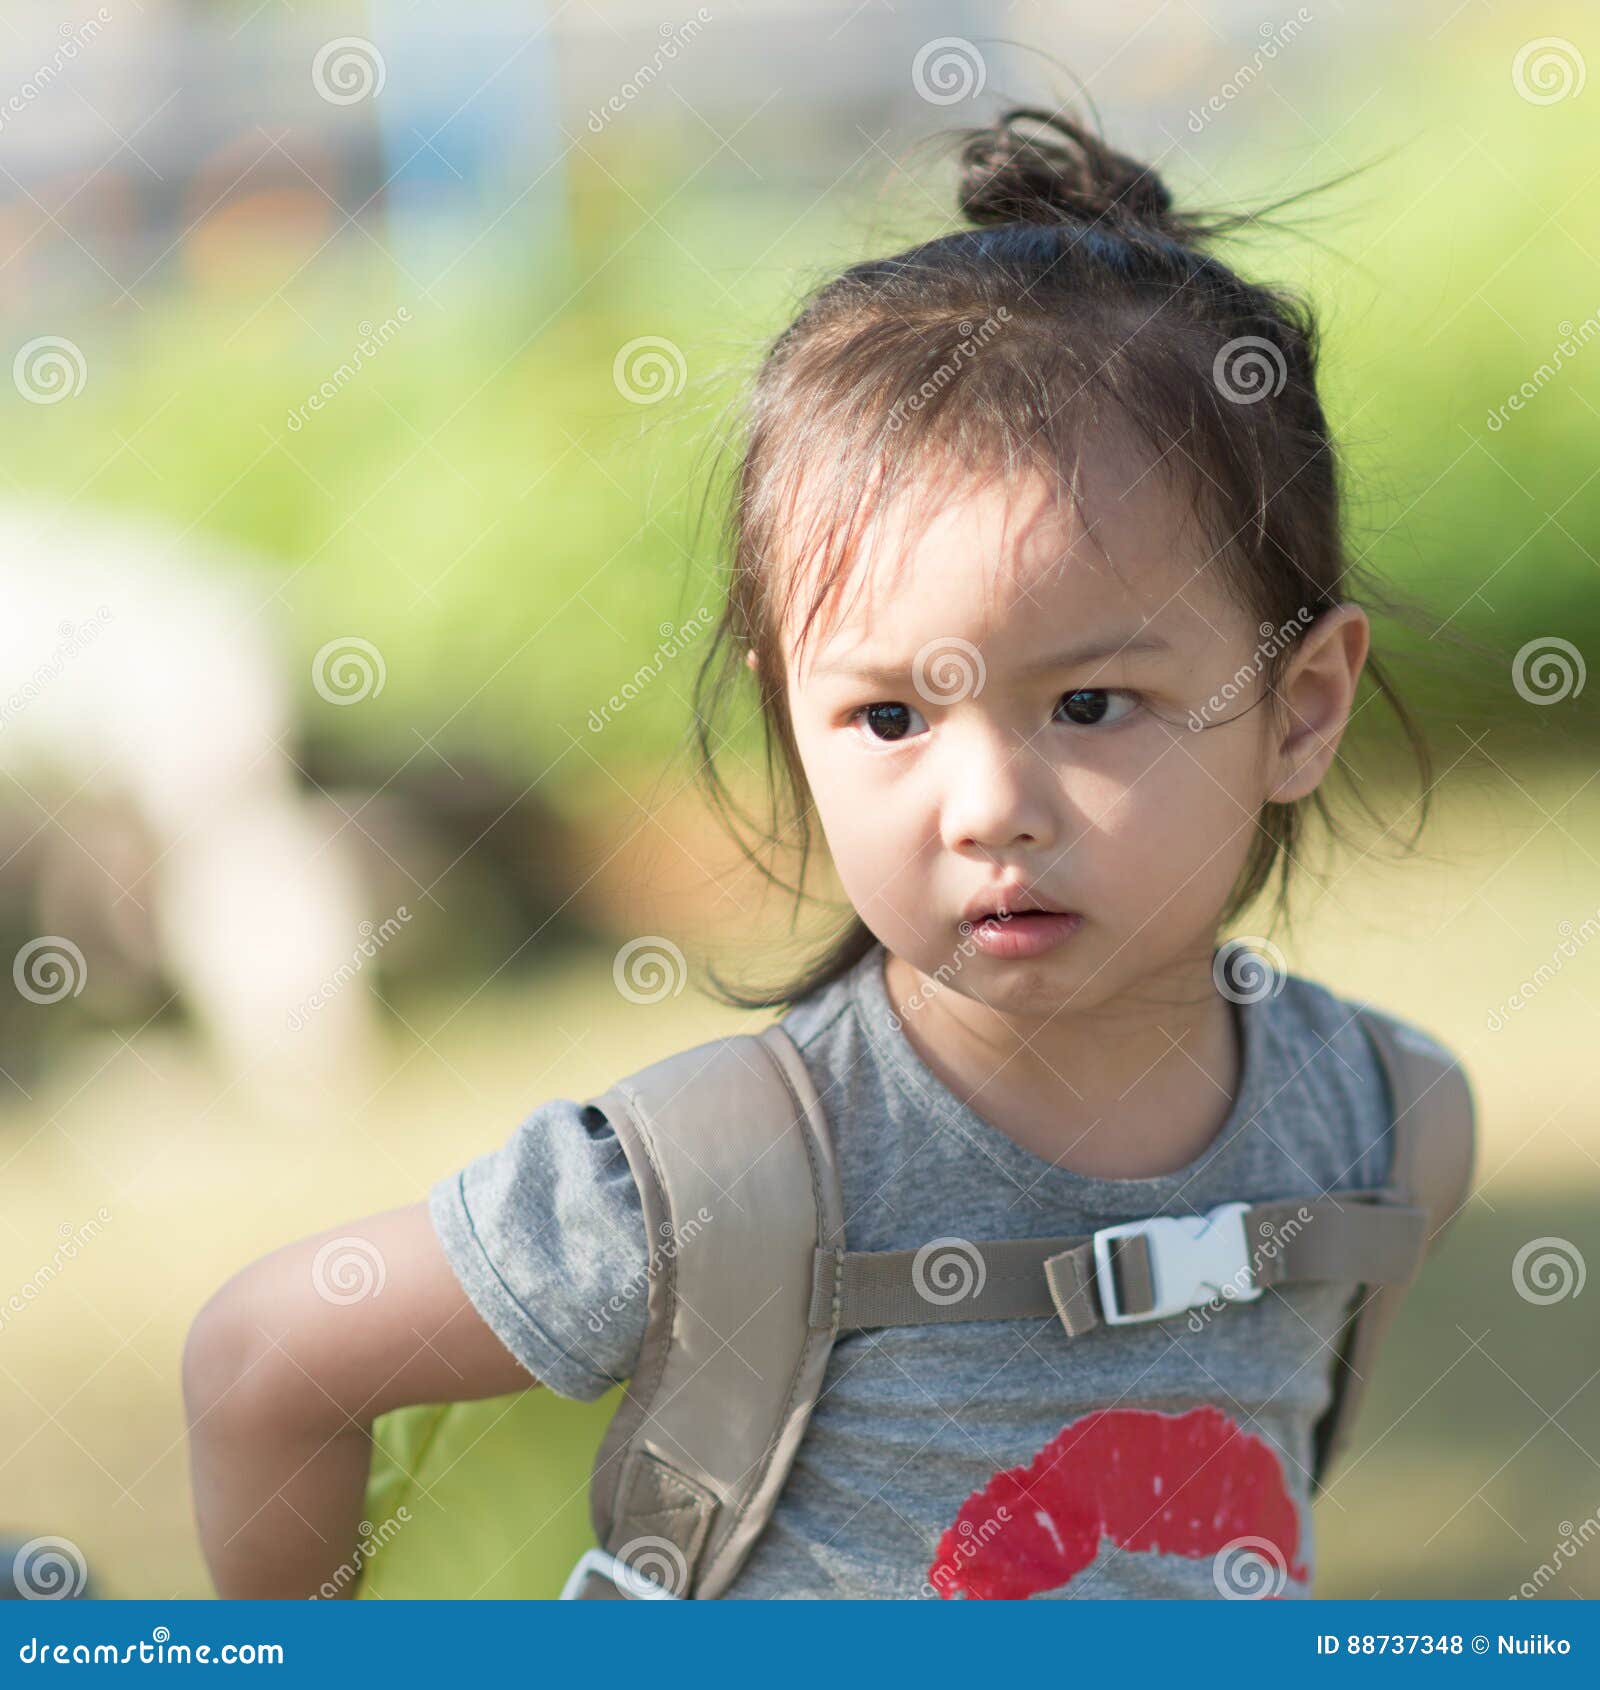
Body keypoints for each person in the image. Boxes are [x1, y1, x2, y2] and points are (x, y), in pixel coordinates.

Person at [183, 105, 1466, 1601]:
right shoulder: (716, 1182)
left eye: (1092, 701)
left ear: (1300, 707)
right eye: (886, 713)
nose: (986, 803)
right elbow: (267, 1356)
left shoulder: (1389, 1129)